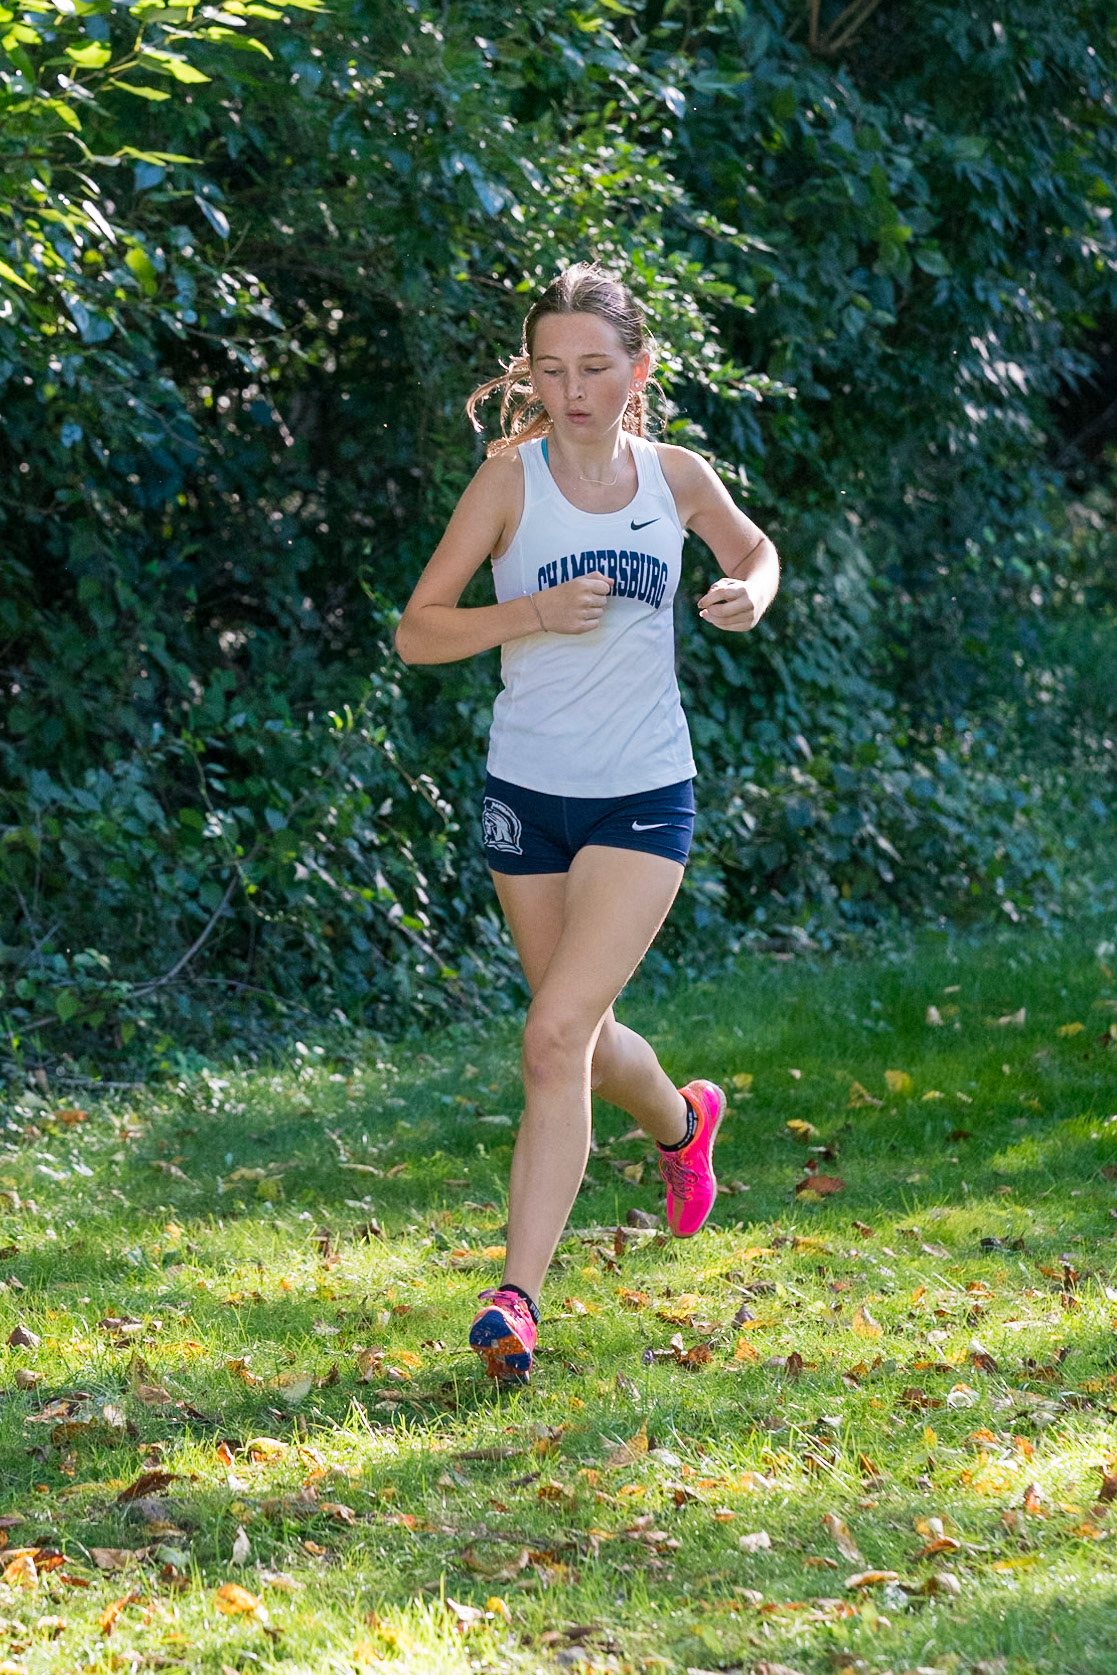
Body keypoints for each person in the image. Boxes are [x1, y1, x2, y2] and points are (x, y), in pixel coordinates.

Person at [394, 262, 779, 1383]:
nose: (572, 391)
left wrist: (748, 594)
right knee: (585, 1039)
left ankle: (515, 1299)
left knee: (552, 1036)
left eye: (595, 368)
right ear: (532, 376)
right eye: (551, 370)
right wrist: (526, 612)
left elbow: (753, 551)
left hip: (643, 793)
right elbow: (418, 630)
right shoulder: (506, 484)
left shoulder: (674, 475)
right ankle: (683, 1122)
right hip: (527, 796)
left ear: (636, 372)